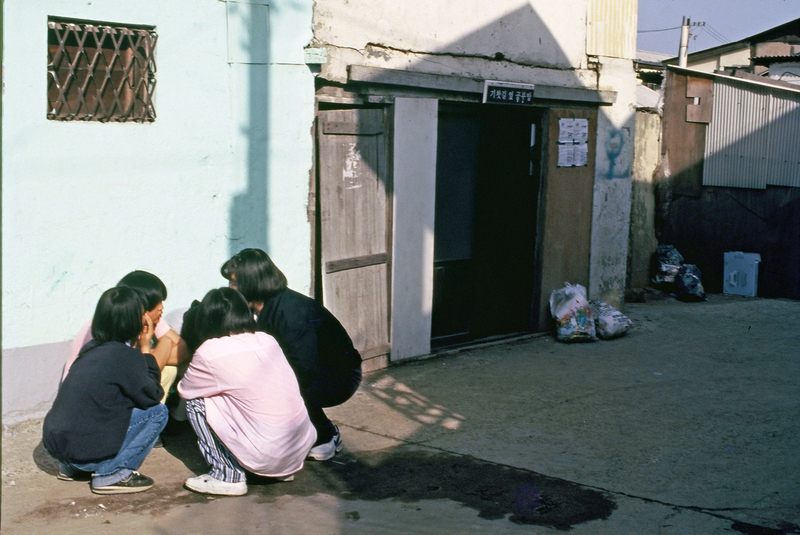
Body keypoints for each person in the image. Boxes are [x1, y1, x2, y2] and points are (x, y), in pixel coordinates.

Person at [221, 249, 362, 461]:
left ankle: (325, 435)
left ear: (252, 283)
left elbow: (304, 368)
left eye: (234, 284)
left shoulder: (290, 313)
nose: (231, 289)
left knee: (283, 385)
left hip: (339, 376)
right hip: (308, 369)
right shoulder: (258, 308)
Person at [178, 287, 316, 496]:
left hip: (267, 453)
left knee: (196, 402)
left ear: (206, 319)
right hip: (296, 450)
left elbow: (185, 390)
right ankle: (275, 471)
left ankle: (228, 475)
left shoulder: (209, 350)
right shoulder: (267, 339)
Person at [43, 286, 168, 494]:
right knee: (158, 412)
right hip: (85, 456)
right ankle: (112, 474)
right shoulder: (126, 356)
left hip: (61, 453)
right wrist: (146, 349)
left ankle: (71, 468)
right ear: (136, 322)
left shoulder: (90, 348)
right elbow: (153, 395)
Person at [63, 270, 190, 404]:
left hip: (118, 388)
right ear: (140, 305)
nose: (161, 308)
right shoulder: (108, 327)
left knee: (168, 369)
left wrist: (155, 351)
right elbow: (144, 374)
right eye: (156, 302)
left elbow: (184, 352)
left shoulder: (149, 319)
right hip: (91, 401)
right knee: (157, 402)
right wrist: (162, 346)